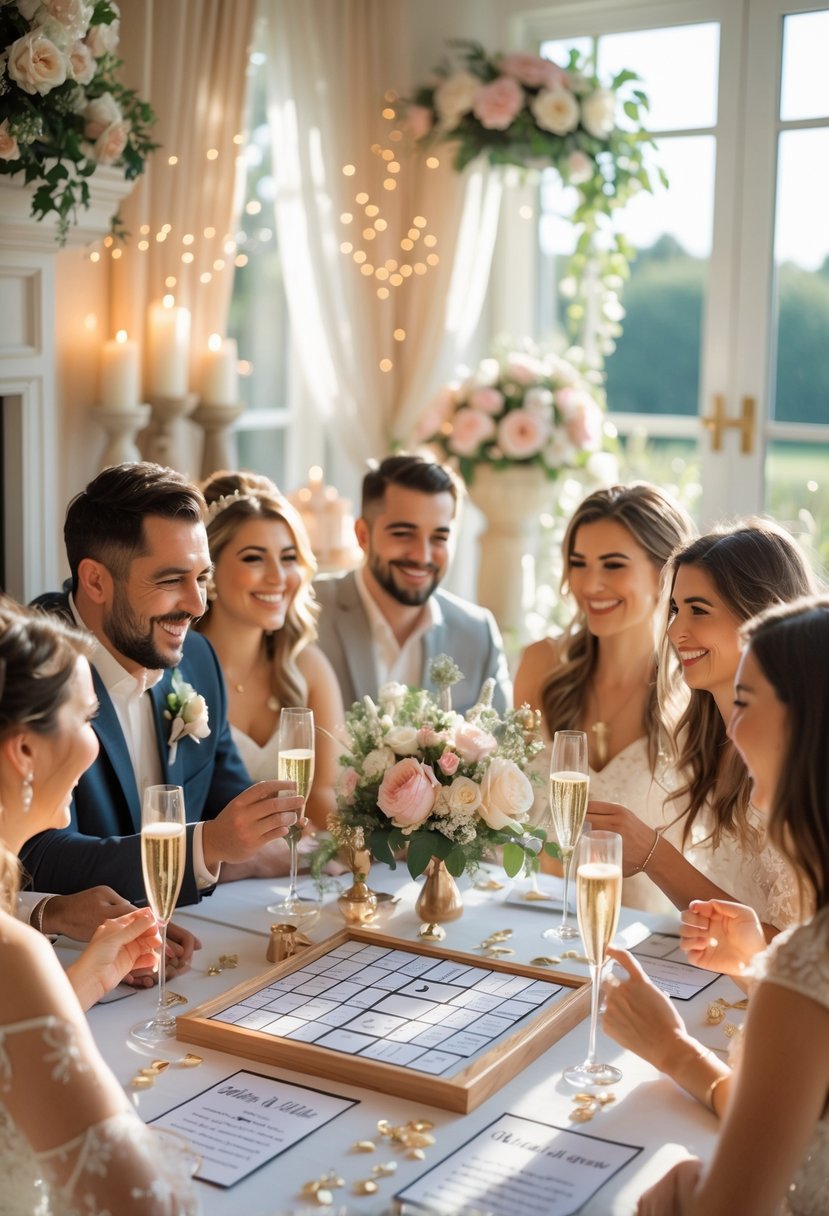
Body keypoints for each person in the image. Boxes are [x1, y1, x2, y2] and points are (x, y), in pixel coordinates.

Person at [603, 595, 829, 1216]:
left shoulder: (808, 964)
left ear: (805, 726)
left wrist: (673, 1047)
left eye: (746, 704)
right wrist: (757, 968)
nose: (729, 728)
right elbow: (802, 1119)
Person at [22, 462, 304, 904]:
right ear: (96, 580)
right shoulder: (29, 672)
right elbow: (35, 858)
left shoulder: (197, 658)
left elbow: (228, 802)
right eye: (171, 580)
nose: (195, 606)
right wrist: (205, 846)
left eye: (201, 578)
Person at [0, 597, 199, 1215]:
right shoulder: (14, 953)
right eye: (87, 718)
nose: (95, 742)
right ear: (24, 752)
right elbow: (145, 1205)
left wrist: (80, 983)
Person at [590, 520, 817, 931]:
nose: (676, 632)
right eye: (676, 609)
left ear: (761, 617)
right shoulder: (704, 735)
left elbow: (793, 954)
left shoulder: (805, 760)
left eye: (699, 610)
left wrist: (653, 855)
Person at [513, 483, 696, 911]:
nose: (590, 584)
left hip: (651, 940)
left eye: (613, 565)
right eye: (578, 563)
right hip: (537, 920)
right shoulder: (541, 665)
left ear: (666, 572)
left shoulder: (695, 692)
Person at [196, 470, 344, 828]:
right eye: (254, 558)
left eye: (289, 557)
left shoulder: (307, 666)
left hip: (293, 869)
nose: (279, 577)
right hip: (209, 875)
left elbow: (323, 795)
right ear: (209, 570)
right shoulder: (179, 673)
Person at [315, 453, 512, 716]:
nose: (423, 555)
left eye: (439, 538)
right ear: (363, 535)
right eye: (403, 534)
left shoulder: (477, 634)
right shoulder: (307, 613)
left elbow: (501, 746)